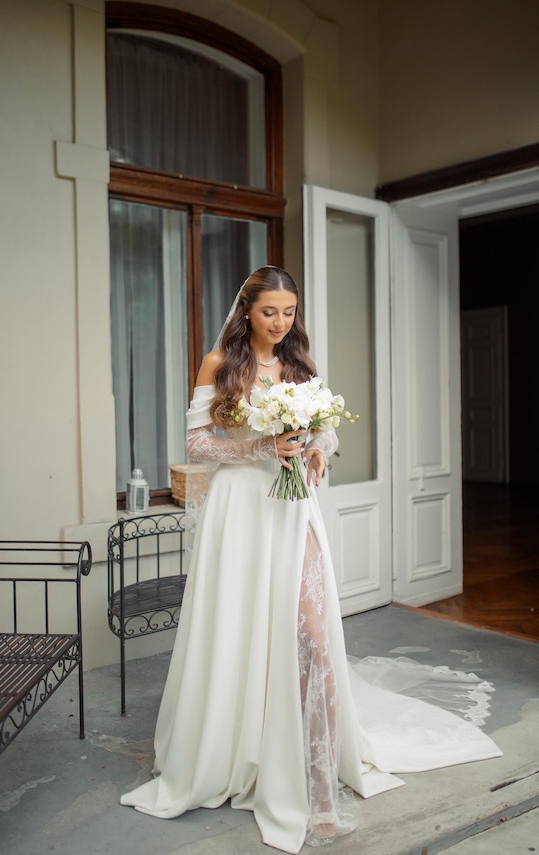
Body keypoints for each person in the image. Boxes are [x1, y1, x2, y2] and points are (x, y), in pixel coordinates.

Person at [121, 266, 502, 854]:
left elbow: (325, 433)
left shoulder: (300, 369)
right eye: (269, 311)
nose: (280, 323)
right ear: (247, 310)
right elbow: (197, 446)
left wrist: (319, 450)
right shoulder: (219, 365)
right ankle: (241, 746)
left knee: (314, 636)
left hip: (293, 509)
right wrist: (261, 446)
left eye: (289, 312)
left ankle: (319, 776)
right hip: (239, 512)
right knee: (242, 629)